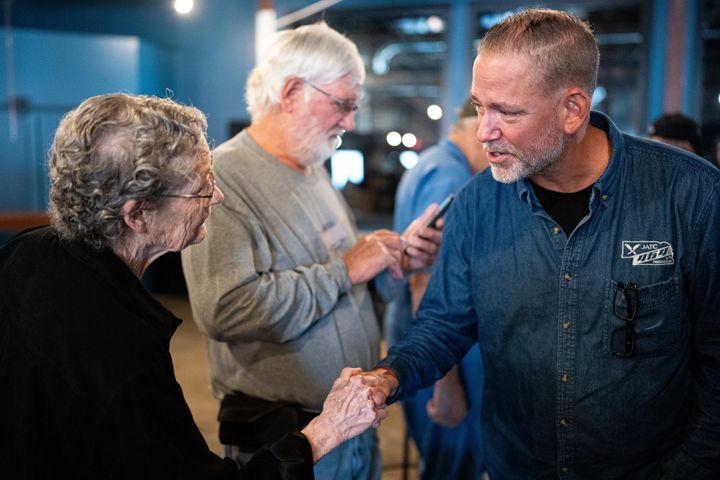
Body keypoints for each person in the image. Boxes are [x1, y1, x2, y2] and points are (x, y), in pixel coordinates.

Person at [360, 8, 720, 479]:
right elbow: (442, 326)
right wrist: (386, 378)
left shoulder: (690, 196)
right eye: (479, 106)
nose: (484, 130)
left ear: (572, 109)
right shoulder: (476, 206)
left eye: (506, 112)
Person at [0, 93, 386, 479]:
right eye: (201, 187)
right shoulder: (118, 348)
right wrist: (327, 430)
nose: (217, 197)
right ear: (138, 213)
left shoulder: (27, 251)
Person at [180, 22, 441, 480]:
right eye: (342, 104)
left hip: (352, 425)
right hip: (290, 443)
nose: (351, 122)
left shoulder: (313, 167)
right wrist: (346, 269)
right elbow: (226, 309)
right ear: (293, 91)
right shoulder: (225, 179)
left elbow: (347, 295)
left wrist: (392, 266)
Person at [383, 98, 488, 479]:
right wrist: (448, 386)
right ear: (475, 127)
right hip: (443, 361)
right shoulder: (451, 179)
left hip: (420, 342)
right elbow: (426, 277)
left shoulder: (431, 163)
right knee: (451, 467)